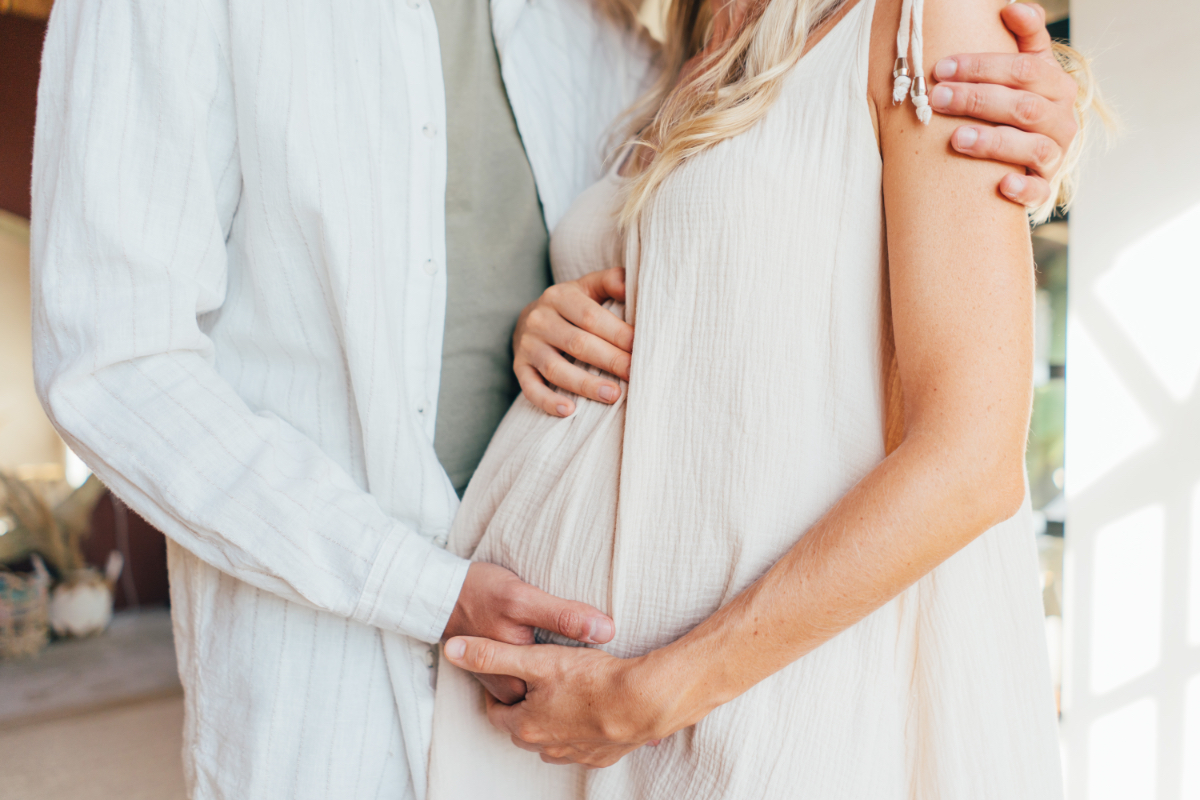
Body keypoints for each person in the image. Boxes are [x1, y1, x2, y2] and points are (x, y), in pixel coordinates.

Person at [29, 0, 1080, 797]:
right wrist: (424, 576)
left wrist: (1027, 119)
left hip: (664, 713)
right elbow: (114, 362)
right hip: (342, 698)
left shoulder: (611, 22)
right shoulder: (681, 36)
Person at [430, 0, 1082, 797]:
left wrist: (654, 693)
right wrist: (548, 321)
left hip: (744, 712)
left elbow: (971, 461)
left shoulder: (924, 20)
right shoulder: (671, 51)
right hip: (556, 725)